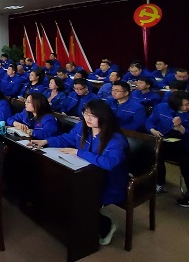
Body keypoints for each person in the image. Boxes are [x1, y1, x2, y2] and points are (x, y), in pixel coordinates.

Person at [30, 100, 129, 246]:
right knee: (56, 186)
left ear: (104, 117)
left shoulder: (115, 140)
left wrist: (78, 152)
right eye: (85, 114)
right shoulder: (82, 127)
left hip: (109, 182)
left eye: (92, 116)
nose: (87, 118)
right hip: (84, 175)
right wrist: (46, 142)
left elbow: (109, 163)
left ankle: (105, 225)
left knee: (76, 197)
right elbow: (67, 138)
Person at [146, 91, 189, 194]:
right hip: (163, 140)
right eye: (184, 105)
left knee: (186, 163)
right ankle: (160, 183)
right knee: (156, 157)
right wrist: (152, 130)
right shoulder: (161, 108)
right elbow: (150, 121)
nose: (187, 107)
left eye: (188, 104)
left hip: (184, 143)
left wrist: (179, 126)